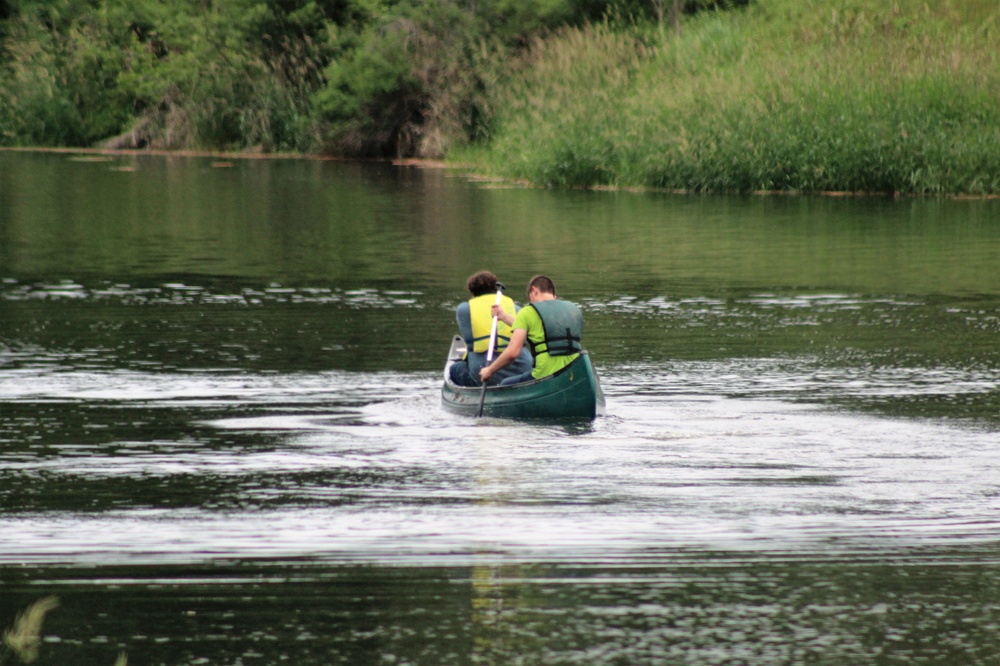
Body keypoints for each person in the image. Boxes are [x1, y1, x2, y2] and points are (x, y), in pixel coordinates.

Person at [479, 275, 583, 386]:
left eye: (530, 298)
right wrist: (503, 316)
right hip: (575, 370)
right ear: (553, 294)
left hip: (545, 373)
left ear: (534, 290)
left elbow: (513, 353)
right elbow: (537, 328)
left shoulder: (528, 311)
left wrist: (489, 370)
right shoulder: (573, 309)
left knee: (505, 384)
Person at [449, 270, 534, 387]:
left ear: (473, 293)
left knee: (454, 369)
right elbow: (525, 340)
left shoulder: (465, 309)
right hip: (522, 369)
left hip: (483, 372)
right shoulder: (516, 308)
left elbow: (470, 343)